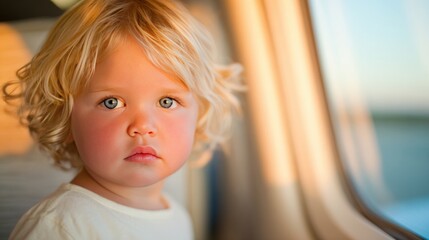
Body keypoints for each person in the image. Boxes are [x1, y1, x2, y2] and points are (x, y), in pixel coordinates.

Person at [3, 0, 242, 239]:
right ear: (65, 116)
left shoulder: (179, 216)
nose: (143, 126)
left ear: (199, 114)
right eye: (111, 102)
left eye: (167, 101)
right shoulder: (60, 227)